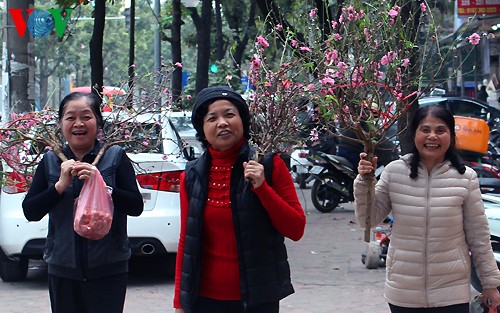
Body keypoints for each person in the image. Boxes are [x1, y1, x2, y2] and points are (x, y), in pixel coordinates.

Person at [354, 105, 500, 313]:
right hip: (404, 291)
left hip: (451, 293)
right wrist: (364, 182)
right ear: (414, 134)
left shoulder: (465, 178)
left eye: (440, 130)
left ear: (451, 135)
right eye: (425, 130)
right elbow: (368, 220)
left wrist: (490, 284)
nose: (432, 136)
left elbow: (479, 237)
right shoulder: (395, 172)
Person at [173, 86, 306, 313]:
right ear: (202, 130)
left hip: (257, 299)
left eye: (229, 114)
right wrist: (179, 303)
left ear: (243, 121)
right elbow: (187, 240)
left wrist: (262, 188)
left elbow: (295, 229)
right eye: (212, 118)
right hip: (204, 300)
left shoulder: (270, 165)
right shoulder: (191, 176)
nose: (222, 122)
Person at [22, 92, 144, 313]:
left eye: (86, 116)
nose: (78, 123)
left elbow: (135, 206)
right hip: (62, 269)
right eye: (70, 117)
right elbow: (31, 211)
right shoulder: (50, 161)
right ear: (61, 124)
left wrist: (103, 186)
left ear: (98, 122)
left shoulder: (115, 157)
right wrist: (59, 186)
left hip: (109, 269)